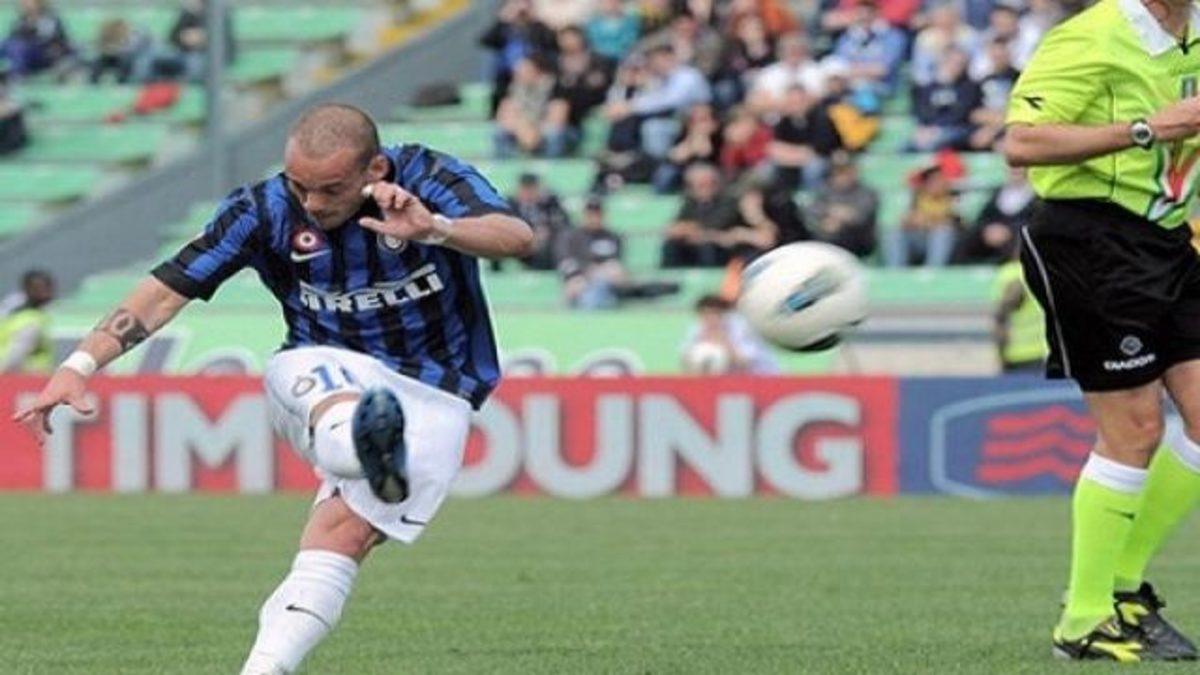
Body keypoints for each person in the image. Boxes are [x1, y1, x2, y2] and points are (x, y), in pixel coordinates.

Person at [14, 103, 534, 675]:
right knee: (328, 392)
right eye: (300, 185)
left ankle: (263, 669)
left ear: (375, 169)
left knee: (343, 536)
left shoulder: (429, 177)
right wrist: (81, 363)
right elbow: (167, 289)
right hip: (320, 367)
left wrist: (436, 228)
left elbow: (516, 237)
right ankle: (361, 439)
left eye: (330, 189)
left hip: (436, 388)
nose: (312, 203)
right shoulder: (261, 209)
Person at [1003, 0, 1200, 660]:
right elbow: (1022, 144)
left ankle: (1122, 589)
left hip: (1166, 236)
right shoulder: (1089, 38)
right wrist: (1147, 130)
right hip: (1088, 238)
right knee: (1134, 429)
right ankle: (1084, 618)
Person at [661, 163, 747, 268]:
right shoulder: (690, 202)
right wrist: (687, 230)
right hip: (695, 244)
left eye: (708, 183)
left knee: (707, 247)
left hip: (721, 248)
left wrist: (690, 230)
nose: (705, 188)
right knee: (671, 245)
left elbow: (717, 225)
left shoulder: (729, 201)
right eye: (700, 185)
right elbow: (677, 225)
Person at [680, 294, 779, 374]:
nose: (711, 318)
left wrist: (724, 343)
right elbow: (686, 361)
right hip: (730, 383)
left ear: (724, 314)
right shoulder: (699, 329)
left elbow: (744, 363)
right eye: (705, 314)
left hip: (763, 378)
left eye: (715, 313)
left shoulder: (741, 327)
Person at [954, 166, 1035, 264]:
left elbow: (1031, 220)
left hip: (1014, 234)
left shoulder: (1034, 196)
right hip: (991, 232)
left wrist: (1008, 231)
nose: (1015, 172)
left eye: (1018, 169)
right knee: (968, 234)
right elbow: (984, 217)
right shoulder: (998, 192)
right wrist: (987, 229)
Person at [804, 152, 878, 258]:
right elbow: (811, 210)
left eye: (845, 171)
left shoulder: (867, 192)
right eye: (838, 172)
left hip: (858, 239)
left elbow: (860, 216)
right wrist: (830, 216)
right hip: (826, 232)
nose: (841, 176)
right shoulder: (825, 190)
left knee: (840, 234)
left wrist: (838, 219)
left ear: (854, 172)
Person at [884, 164, 959, 267]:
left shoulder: (954, 198)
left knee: (943, 232)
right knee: (895, 233)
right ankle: (896, 271)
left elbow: (955, 223)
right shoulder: (916, 198)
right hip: (919, 240)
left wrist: (928, 222)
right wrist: (911, 221)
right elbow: (905, 221)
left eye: (939, 180)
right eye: (931, 181)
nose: (936, 184)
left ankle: (933, 271)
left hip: (943, 243)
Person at [992, 252, 1047, 374]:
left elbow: (999, 317)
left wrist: (1000, 352)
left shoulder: (1005, 273)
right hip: (1035, 353)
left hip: (1014, 353)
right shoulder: (1023, 274)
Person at [508, 172, 572, 270]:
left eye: (532, 188)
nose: (529, 193)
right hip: (521, 245)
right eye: (525, 189)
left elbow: (565, 223)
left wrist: (547, 230)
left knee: (562, 238)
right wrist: (531, 236)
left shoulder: (551, 202)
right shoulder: (511, 205)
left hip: (548, 246)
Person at [0, 270, 55, 373]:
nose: (47, 292)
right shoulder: (31, 320)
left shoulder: (14, 314)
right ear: (27, 289)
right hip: (25, 378)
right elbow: (13, 360)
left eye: (49, 287)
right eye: (39, 288)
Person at [1, 0, 71, 77]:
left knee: (18, 47)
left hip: (39, 55)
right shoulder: (22, 20)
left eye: (29, 2)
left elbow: (54, 42)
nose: (25, 4)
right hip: (22, 52)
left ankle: (15, 74)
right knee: (7, 44)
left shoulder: (49, 20)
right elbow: (12, 38)